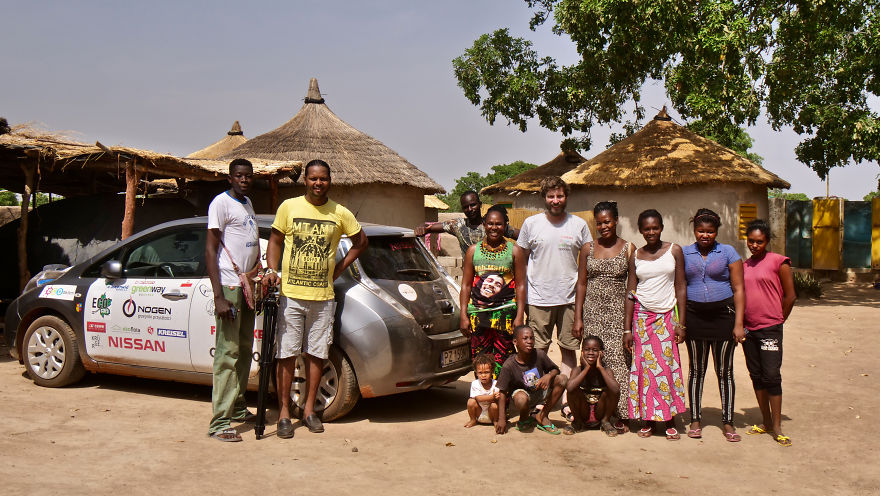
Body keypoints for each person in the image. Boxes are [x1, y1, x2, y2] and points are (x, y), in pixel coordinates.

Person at [263, 159, 368, 439]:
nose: (318, 183)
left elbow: (361, 242)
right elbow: (274, 240)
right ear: (305, 181)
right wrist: (271, 270)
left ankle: (309, 410)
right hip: (291, 296)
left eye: (323, 179)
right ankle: (285, 412)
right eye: (313, 178)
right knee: (285, 354)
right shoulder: (289, 208)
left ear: (329, 181)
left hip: (322, 298)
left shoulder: (340, 213)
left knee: (316, 354)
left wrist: (340, 267)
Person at [516, 176, 591, 409]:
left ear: (566, 197)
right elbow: (521, 260)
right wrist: (522, 299)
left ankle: (565, 399)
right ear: (544, 198)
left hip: (569, 299)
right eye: (551, 196)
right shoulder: (531, 225)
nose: (556, 200)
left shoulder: (579, 225)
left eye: (560, 195)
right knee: (538, 351)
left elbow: (587, 260)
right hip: (539, 298)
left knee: (569, 350)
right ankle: (539, 398)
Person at [205, 158, 261, 442]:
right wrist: (218, 296)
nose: (244, 180)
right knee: (227, 353)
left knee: (242, 348)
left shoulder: (247, 203)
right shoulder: (220, 204)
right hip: (228, 287)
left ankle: (238, 408)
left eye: (248, 176)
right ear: (229, 178)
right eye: (239, 176)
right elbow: (210, 249)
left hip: (246, 286)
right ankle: (219, 422)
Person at [624, 209, 688, 440]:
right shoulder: (636, 255)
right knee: (645, 370)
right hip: (641, 317)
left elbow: (681, 286)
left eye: (655, 228)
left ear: (661, 227)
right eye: (646, 229)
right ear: (640, 230)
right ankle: (648, 420)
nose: (651, 232)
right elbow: (631, 292)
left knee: (665, 367)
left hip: (666, 316)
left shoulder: (674, 251)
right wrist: (627, 329)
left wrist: (681, 323)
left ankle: (669, 419)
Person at [682, 208, 745, 442]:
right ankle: (695, 419)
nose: (705, 235)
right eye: (701, 231)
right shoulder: (685, 253)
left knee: (724, 371)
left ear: (716, 232)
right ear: (694, 231)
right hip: (695, 318)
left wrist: (739, 324)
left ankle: (728, 421)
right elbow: (680, 287)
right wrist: (681, 323)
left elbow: (739, 289)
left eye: (709, 231)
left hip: (723, 317)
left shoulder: (728, 252)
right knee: (697, 371)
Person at [572, 201, 633, 432]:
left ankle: (622, 415)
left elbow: (631, 289)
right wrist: (578, 318)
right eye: (599, 223)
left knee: (619, 363)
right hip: (593, 314)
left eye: (607, 221)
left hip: (618, 314)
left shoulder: (629, 249)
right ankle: (593, 414)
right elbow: (581, 283)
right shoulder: (587, 248)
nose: (603, 226)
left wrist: (627, 326)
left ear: (616, 220)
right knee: (591, 361)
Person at [742, 219, 796, 447]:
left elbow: (790, 296)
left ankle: (776, 426)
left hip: (770, 329)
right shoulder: (743, 265)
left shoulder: (778, 262)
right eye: (751, 241)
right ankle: (764, 422)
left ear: (767, 241)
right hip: (748, 330)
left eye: (759, 242)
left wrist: (777, 320)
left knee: (772, 375)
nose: (755, 246)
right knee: (756, 375)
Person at [459, 205, 526, 377]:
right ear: (484, 224)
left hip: (505, 314)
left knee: (504, 358)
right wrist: (463, 315)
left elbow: (520, 285)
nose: (494, 228)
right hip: (478, 315)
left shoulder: (515, 251)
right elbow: (466, 285)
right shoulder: (473, 251)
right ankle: (483, 398)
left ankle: (501, 398)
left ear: (506, 225)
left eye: (498, 224)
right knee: (480, 360)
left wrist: (519, 315)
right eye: (490, 223)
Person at [495, 325, 568, 435]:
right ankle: (524, 417)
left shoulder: (539, 354)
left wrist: (548, 376)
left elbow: (555, 370)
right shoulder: (509, 365)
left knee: (562, 379)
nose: (529, 341)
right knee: (521, 398)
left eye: (532, 338)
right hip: (523, 396)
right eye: (525, 338)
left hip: (540, 391)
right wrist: (501, 419)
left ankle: (542, 415)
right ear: (515, 342)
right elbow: (502, 392)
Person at [415, 191, 518, 257]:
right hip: (470, 279)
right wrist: (422, 227)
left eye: (473, 205)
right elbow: (430, 227)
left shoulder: (491, 226)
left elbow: (521, 235)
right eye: (465, 207)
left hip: (491, 278)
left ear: (480, 204)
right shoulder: (458, 225)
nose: (470, 209)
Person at [564, 336, 621, 436]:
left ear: (601, 353)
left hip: (600, 412)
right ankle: (577, 422)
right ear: (582, 353)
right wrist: (586, 369)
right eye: (587, 349)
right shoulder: (577, 370)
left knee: (611, 388)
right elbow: (569, 388)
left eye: (595, 350)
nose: (590, 352)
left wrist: (600, 368)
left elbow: (616, 390)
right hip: (583, 413)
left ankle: (605, 422)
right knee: (573, 389)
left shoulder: (606, 370)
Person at [465, 354, 501, 428]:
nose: (483, 375)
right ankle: (473, 420)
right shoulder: (475, 384)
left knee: (494, 405)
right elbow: (478, 398)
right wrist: (492, 397)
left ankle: (496, 421)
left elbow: (498, 400)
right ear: (476, 373)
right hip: (479, 413)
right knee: (471, 401)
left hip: (491, 414)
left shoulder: (496, 383)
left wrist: (497, 397)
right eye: (480, 373)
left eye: (486, 372)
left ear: (492, 372)